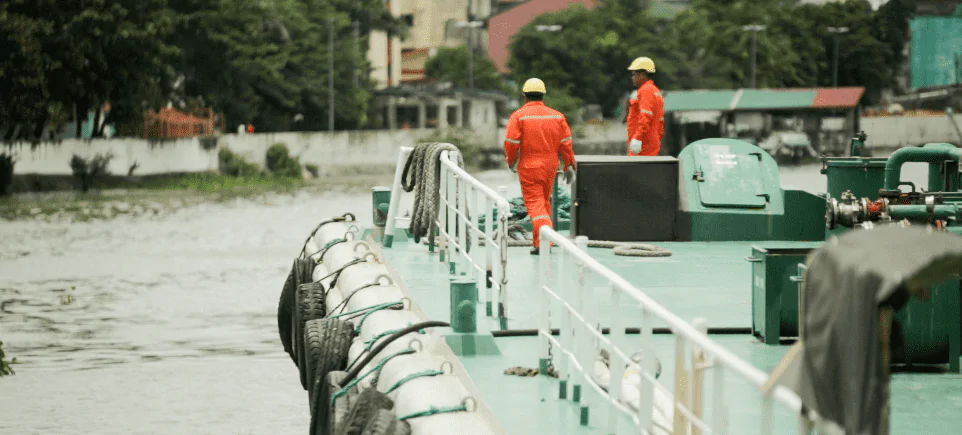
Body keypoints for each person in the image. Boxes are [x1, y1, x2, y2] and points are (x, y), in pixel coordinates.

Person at [503, 78, 576, 255]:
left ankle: (546, 239)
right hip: (550, 165)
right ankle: (540, 244)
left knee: (535, 204)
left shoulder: (519, 116)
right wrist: (568, 165)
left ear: (524, 95)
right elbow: (565, 144)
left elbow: (511, 143)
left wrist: (511, 161)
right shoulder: (557, 116)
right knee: (544, 202)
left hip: (529, 165)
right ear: (543, 94)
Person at [626, 57, 665, 156]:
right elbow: (660, 120)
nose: (632, 78)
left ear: (643, 74)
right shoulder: (655, 91)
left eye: (634, 75)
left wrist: (638, 138)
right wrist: (657, 138)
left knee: (636, 170)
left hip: (643, 143)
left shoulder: (646, 90)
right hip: (650, 141)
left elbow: (645, 116)